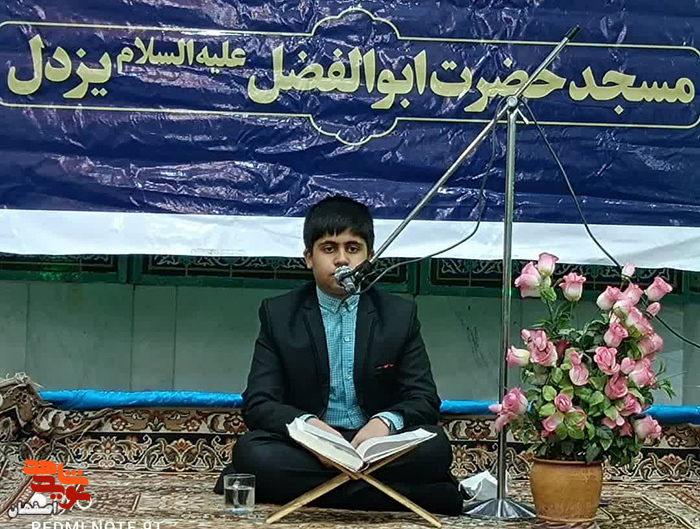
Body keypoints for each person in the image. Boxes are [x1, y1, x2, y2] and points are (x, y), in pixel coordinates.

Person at [215, 196, 463, 515]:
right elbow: (259, 403)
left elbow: (424, 399)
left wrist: (384, 423)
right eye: (329, 248)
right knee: (252, 453)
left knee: (435, 447)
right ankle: (415, 496)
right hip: (310, 446)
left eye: (353, 248)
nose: (342, 260)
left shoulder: (399, 315)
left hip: (378, 446)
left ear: (369, 257)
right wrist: (311, 429)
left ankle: (317, 492)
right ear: (309, 258)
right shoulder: (279, 314)